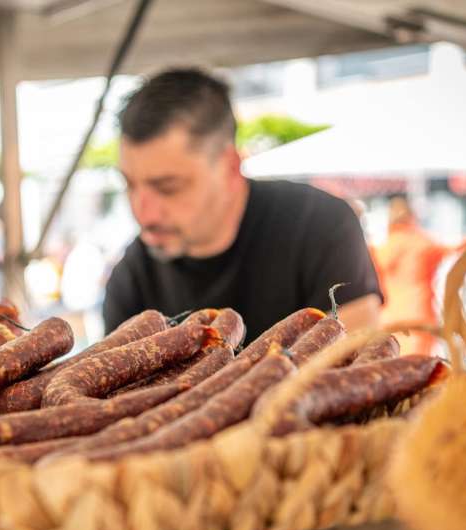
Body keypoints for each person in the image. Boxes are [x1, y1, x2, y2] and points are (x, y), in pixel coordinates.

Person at [102, 68, 382, 342]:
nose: (143, 213)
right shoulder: (131, 278)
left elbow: (357, 359)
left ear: (230, 166)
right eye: (130, 184)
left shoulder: (321, 225)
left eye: (168, 187)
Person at [374, 196, 457, 355]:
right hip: (420, 317)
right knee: (420, 370)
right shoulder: (424, 243)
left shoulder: (383, 248)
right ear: (412, 217)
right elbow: (456, 251)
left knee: (393, 368)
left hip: (389, 318)